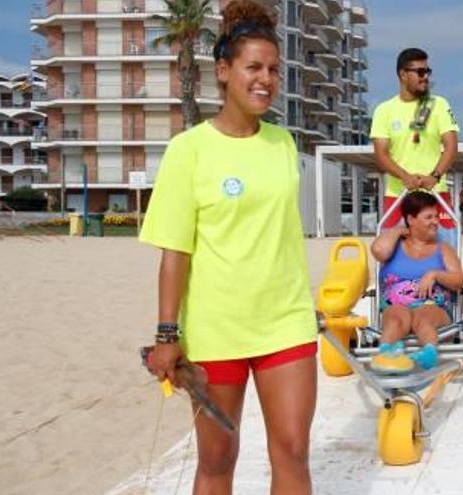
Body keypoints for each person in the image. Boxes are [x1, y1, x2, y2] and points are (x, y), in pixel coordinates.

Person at [141, 2, 318, 493]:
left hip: (286, 322)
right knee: (218, 459)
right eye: (254, 68)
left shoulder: (283, 144)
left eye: (274, 70)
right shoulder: (189, 150)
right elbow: (174, 252)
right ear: (223, 71)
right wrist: (166, 335)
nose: (266, 79)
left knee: (294, 451)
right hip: (216, 330)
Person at [369, 191, 463, 373]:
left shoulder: (443, 248)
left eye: (436, 216)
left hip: (433, 305)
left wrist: (434, 274)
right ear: (411, 219)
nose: (436, 222)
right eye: (429, 217)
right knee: (396, 318)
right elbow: (379, 251)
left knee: (423, 319)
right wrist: (397, 231)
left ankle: (428, 353)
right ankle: (386, 355)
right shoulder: (394, 246)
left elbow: (458, 280)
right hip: (395, 305)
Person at [370, 48, 460, 228]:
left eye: (427, 71)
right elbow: (381, 155)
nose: (425, 76)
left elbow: (451, 146)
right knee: (389, 251)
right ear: (403, 74)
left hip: (435, 193)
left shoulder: (440, 105)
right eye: (420, 72)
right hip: (397, 196)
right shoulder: (383, 110)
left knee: (446, 249)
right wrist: (404, 177)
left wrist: (434, 176)